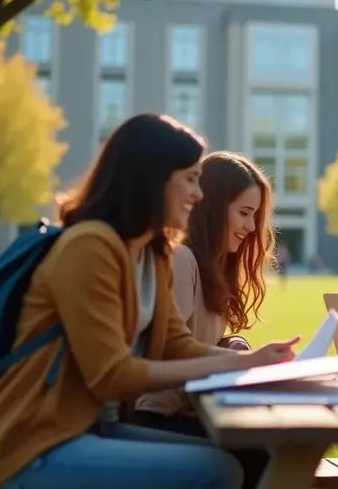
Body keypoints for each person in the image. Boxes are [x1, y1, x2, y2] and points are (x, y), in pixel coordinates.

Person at [0, 114, 299, 489]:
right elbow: (113, 374)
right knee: (214, 470)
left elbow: (177, 344)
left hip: (93, 428)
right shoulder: (89, 247)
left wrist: (254, 362)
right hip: (35, 444)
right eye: (190, 181)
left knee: (235, 464)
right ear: (152, 180)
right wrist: (235, 366)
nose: (198, 195)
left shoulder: (154, 254)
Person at [134, 151, 277, 487]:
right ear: (212, 209)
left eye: (255, 216)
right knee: (259, 454)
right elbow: (174, 351)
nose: (251, 227)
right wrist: (243, 361)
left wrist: (235, 347)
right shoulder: (182, 260)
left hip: (194, 411)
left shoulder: (215, 266)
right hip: (155, 416)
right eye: (244, 213)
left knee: (265, 449)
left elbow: (201, 344)